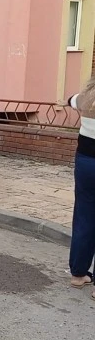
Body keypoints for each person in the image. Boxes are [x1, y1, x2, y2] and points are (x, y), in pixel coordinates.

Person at [68, 78, 95, 299]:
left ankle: (78, 274)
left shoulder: (86, 99)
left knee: (84, 216)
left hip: (85, 163)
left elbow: (70, 100)